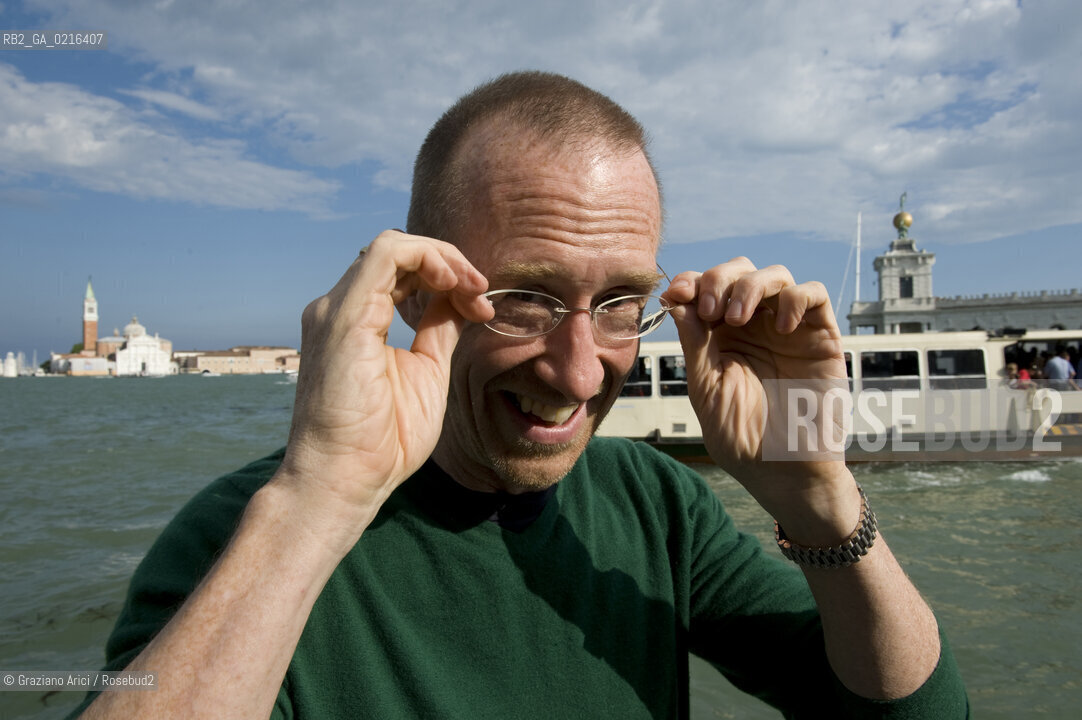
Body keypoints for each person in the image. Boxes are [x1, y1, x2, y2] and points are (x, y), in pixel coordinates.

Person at [72, 71, 967, 719]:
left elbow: (911, 713)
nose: (579, 373)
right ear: (414, 292)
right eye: (526, 299)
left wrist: (818, 491)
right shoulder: (246, 535)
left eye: (621, 304)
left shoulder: (654, 506)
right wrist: (318, 501)